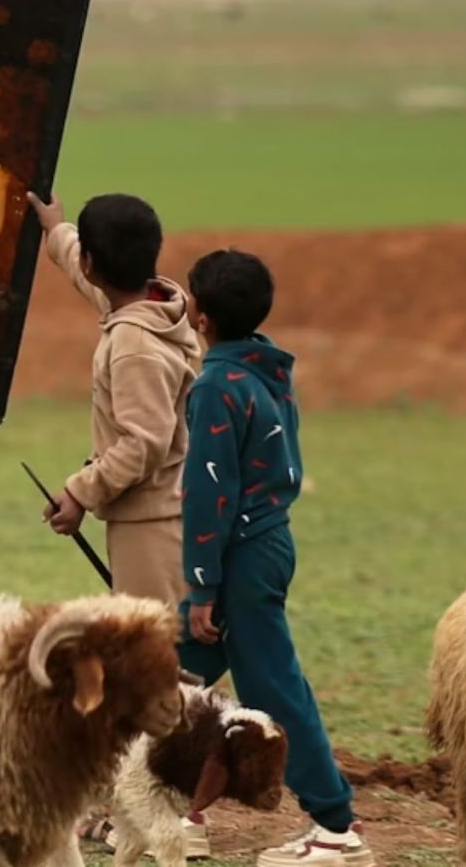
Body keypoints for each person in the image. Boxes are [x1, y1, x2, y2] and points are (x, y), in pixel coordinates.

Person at [177, 249, 372, 867]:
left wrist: (203, 586)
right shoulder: (265, 368)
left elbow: (210, 490)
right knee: (175, 674)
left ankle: (336, 827)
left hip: (240, 555)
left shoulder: (215, 386)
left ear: (200, 317)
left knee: (274, 692)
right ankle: (134, 801)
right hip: (267, 541)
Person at [25, 191, 200, 609]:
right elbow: (88, 276)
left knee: (158, 656)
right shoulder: (154, 306)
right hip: (167, 510)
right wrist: (57, 230)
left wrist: (80, 492)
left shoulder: (133, 345)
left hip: (152, 527)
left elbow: (145, 442)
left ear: (92, 261)